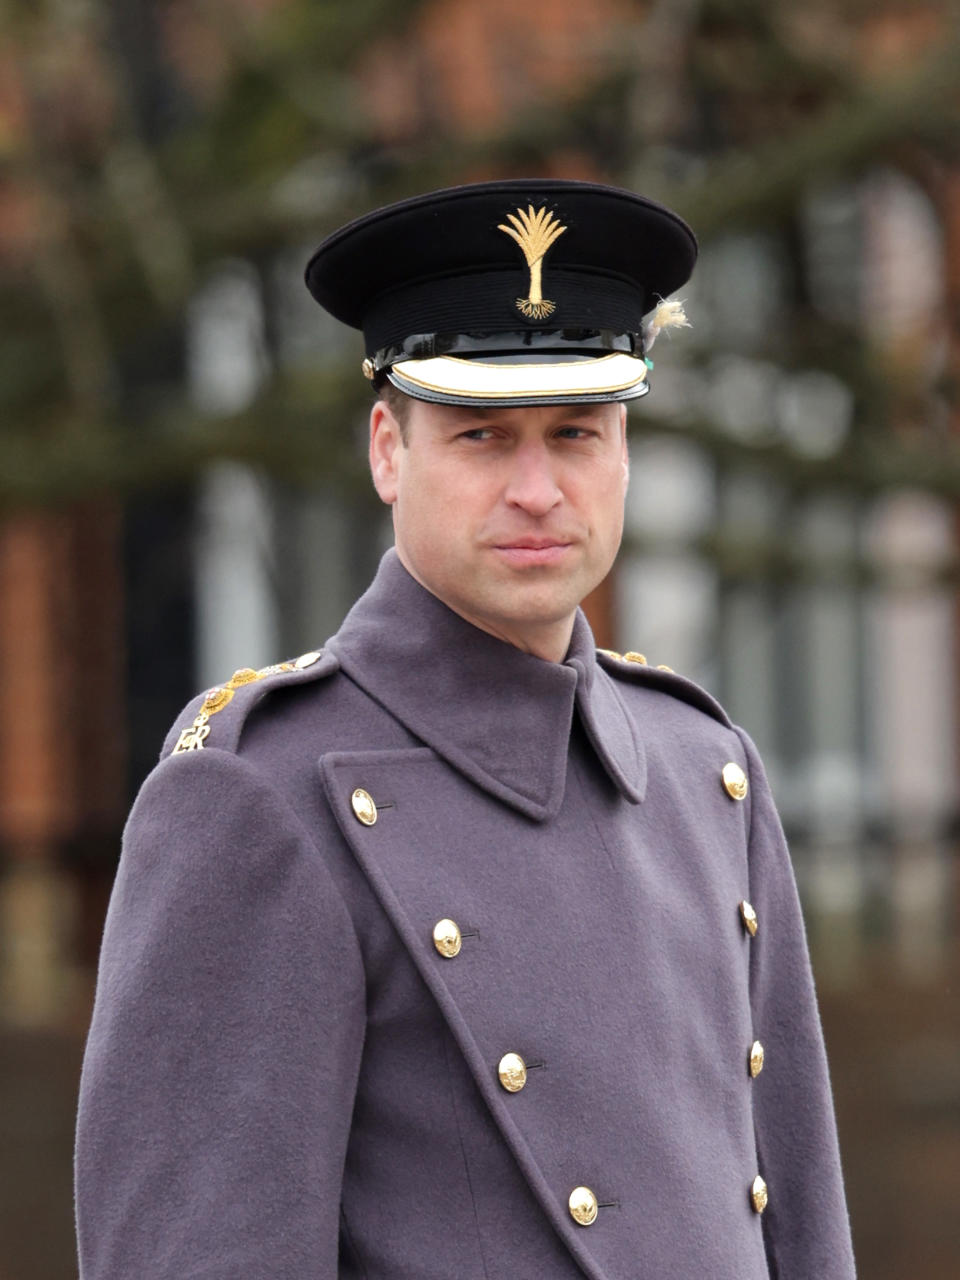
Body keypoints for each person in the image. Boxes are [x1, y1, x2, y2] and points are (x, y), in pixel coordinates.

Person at [75, 179, 856, 1279]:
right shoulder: (260, 792)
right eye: (483, 435)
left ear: (624, 449)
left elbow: (803, 1231)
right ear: (389, 449)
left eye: (576, 432)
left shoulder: (704, 765)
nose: (537, 488)